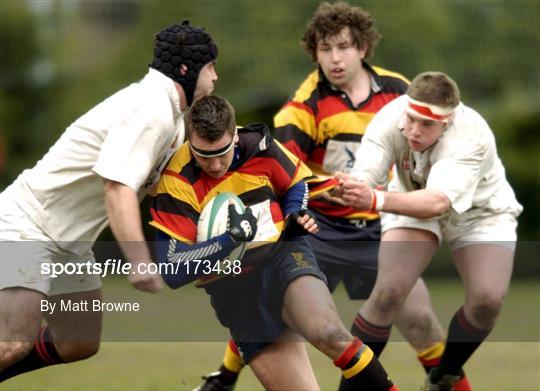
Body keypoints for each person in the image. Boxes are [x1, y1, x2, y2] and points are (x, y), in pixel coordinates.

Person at [196, 3, 470, 390]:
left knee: (422, 320)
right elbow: (284, 178)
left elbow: (423, 144)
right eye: (325, 49)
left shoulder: (399, 93)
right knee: (272, 303)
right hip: (321, 231)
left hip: (379, 231)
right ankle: (224, 377)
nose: (335, 58)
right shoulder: (302, 107)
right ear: (315, 52)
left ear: (362, 48)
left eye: (343, 47)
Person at [0, 20, 218, 381]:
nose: (215, 77)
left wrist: (197, 254)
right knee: (11, 344)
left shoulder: (174, 120)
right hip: (28, 227)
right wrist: (138, 261)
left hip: (69, 244)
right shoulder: (151, 110)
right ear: (186, 69)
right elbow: (116, 187)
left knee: (78, 340)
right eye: (211, 67)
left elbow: (161, 196)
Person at [150, 94, 398, 390]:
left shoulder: (261, 147)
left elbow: (295, 183)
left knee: (331, 333)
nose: (215, 165)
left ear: (235, 136)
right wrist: (229, 240)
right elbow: (173, 271)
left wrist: (295, 214)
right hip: (234, 292)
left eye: (223, 152)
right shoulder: (177, 180)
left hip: (283, 257)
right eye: (204, 155)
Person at [335, 71, 522, 390]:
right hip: (410, 201)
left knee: (487, 300)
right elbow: (367, 173)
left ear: (446, 123)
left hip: (480, 213)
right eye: (411, 119)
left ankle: (443, 377)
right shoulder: (391, 116)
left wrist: (375, 198)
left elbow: (437, 202)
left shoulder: (469, 135)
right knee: (388, 292)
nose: (413, 130)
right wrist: (351, 186)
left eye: (426, 125)